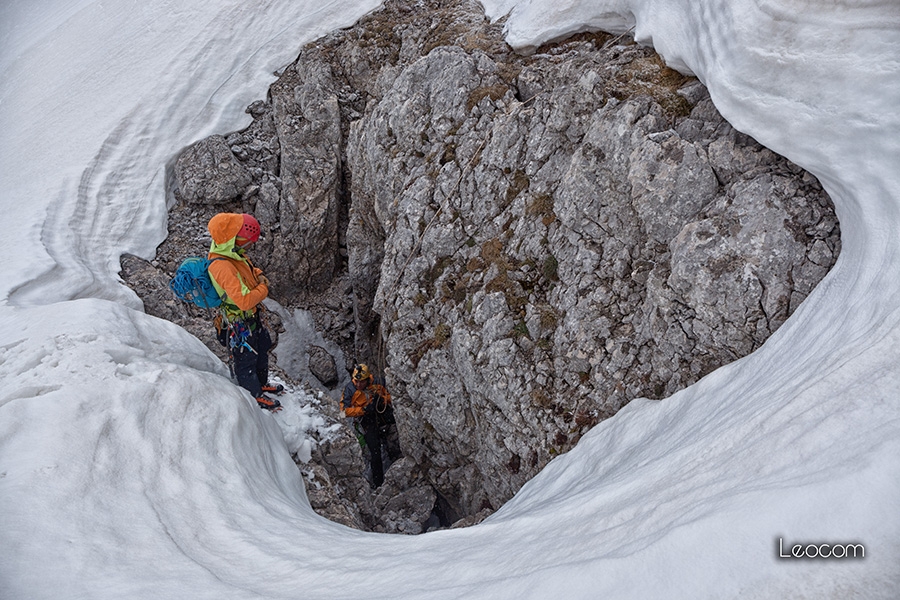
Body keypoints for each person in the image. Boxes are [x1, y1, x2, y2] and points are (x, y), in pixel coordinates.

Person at [207, 212, 282, 411]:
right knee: (246, 359)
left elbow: (245, 268)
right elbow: (244, 300)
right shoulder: (222, 266)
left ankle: (261, 382)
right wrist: (263, 289)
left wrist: (257, 275)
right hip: (239, 321)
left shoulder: (232, 253)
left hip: (250, 319)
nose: (249, 247)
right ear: (235, 238)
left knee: (262, 347)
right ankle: (254, 395)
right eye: (248, 243)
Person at [340, 364, 400, 487]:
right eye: (356, 381)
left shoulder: (378, 382)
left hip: (381, 413)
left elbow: (393, 396)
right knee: (374, 453)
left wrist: (382, 399)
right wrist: (364, 410)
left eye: (361, 382)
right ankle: (378, 483)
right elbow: (343, 412)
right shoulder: (350, 390)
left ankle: (397, 463)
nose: (358, 384)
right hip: (366, 419)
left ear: (367, 379)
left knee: (395, 440)